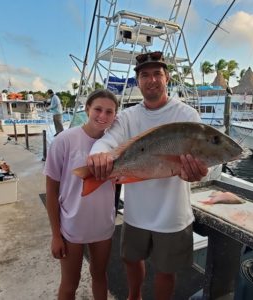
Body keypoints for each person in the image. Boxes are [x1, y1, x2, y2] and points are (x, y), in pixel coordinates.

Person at [87, 51, 209, 300]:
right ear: (137, 81)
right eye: (145, 75)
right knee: (130, 260)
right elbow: (108, 141)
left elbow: (202, 164)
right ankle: (135, 296)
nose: (151, 80)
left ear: (167, 78)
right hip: (136, 212)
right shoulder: (128, 116)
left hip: (173, 214)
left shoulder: (187, 116)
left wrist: (198, 174)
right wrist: (98, 155)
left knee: (166, 270)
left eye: (157, 74)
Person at [43, 89, 118, 300]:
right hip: (71, 225)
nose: (102, 116)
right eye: (98, 109)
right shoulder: (64, 140)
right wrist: (56, 235)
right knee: (70, 283)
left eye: (109, 112)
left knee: (100, 276)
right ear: (87, 109)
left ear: (115, 116)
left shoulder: (115, 146)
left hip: (103, 225)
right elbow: (51, 190)